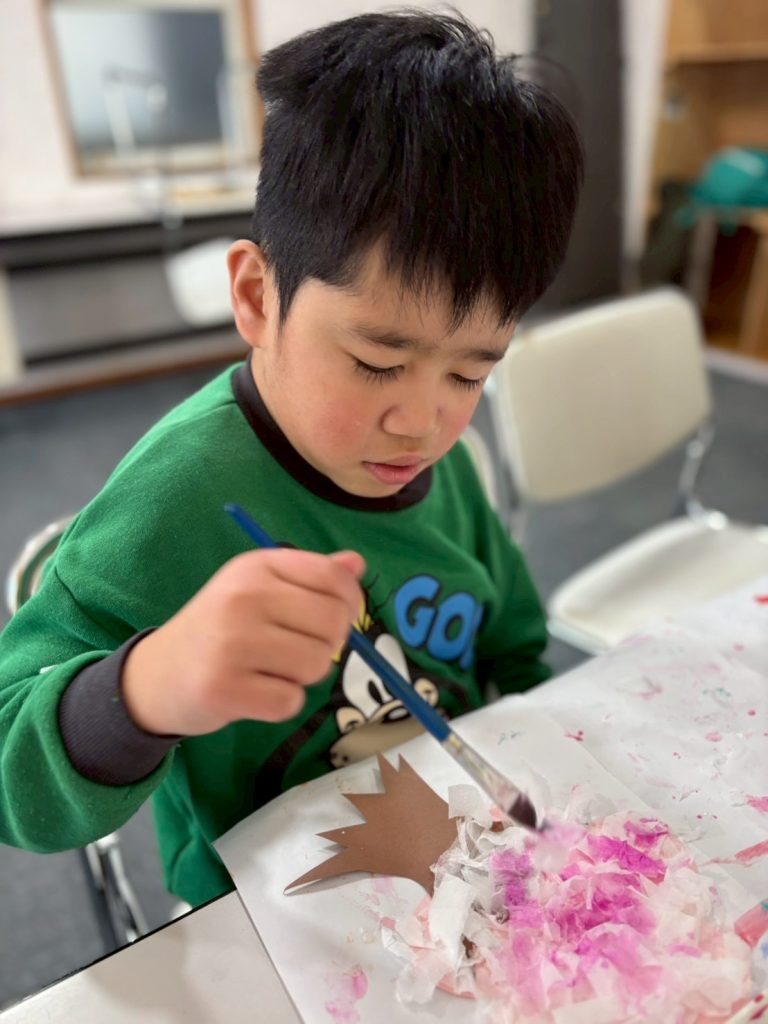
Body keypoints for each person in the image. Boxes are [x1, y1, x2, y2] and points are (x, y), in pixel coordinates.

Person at [0, 10, 582, 908]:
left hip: (467, 859)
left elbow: (515, 644)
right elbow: (12, 778)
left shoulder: (447, 468)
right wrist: (146, 687)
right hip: (266, 910)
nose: (421, 423)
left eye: (472, 372)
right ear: (257, 296)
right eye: (377, 362)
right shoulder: (174, 503)